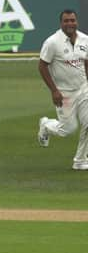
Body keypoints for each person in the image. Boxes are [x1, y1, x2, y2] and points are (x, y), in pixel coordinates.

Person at [37, 9, 88, 170]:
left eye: (72, 20)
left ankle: (80, 160)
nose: (70, 24)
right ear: (61, 23)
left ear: (76, 21)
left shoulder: (85, 39)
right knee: (68, 129)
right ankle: (46, 125)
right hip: (64, 92)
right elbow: (42, 65)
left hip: (83, 88)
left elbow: (86, 61)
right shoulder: (52, 42)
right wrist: (54, 91)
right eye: (66, 21)